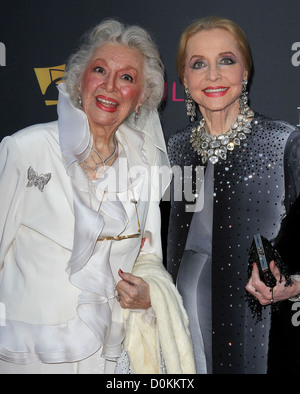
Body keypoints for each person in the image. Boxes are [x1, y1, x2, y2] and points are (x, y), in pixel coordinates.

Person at [0, 19, 196, 374]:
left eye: (127, 78)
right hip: (29, 353)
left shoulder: (144, 162)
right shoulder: (26, 149)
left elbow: (148, 257)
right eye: (100, 70)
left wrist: (150, 294)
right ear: (79, 81)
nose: (110, 86)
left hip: (108, 353)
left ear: (142, 99)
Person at [167, 15, 300, 374]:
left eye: (226, 60)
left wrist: (294, 285)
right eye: (199, 64)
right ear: (185, 79)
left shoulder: (283, 142)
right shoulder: (175, 149)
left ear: (245, 72)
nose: (213, 76)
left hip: (261, 334)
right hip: (183, 333)